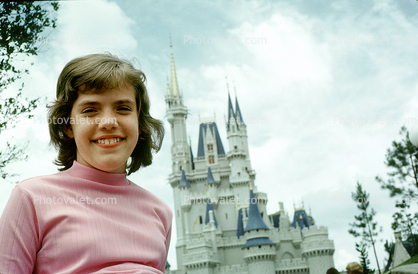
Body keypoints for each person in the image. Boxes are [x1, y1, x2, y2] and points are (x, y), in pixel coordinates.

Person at [0, 53, 172, 273]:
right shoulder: (31, 198)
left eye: (123, 108)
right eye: (90, 110)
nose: (109, 122)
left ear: (139, 123)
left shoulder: (160, 212)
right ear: (68, 126)